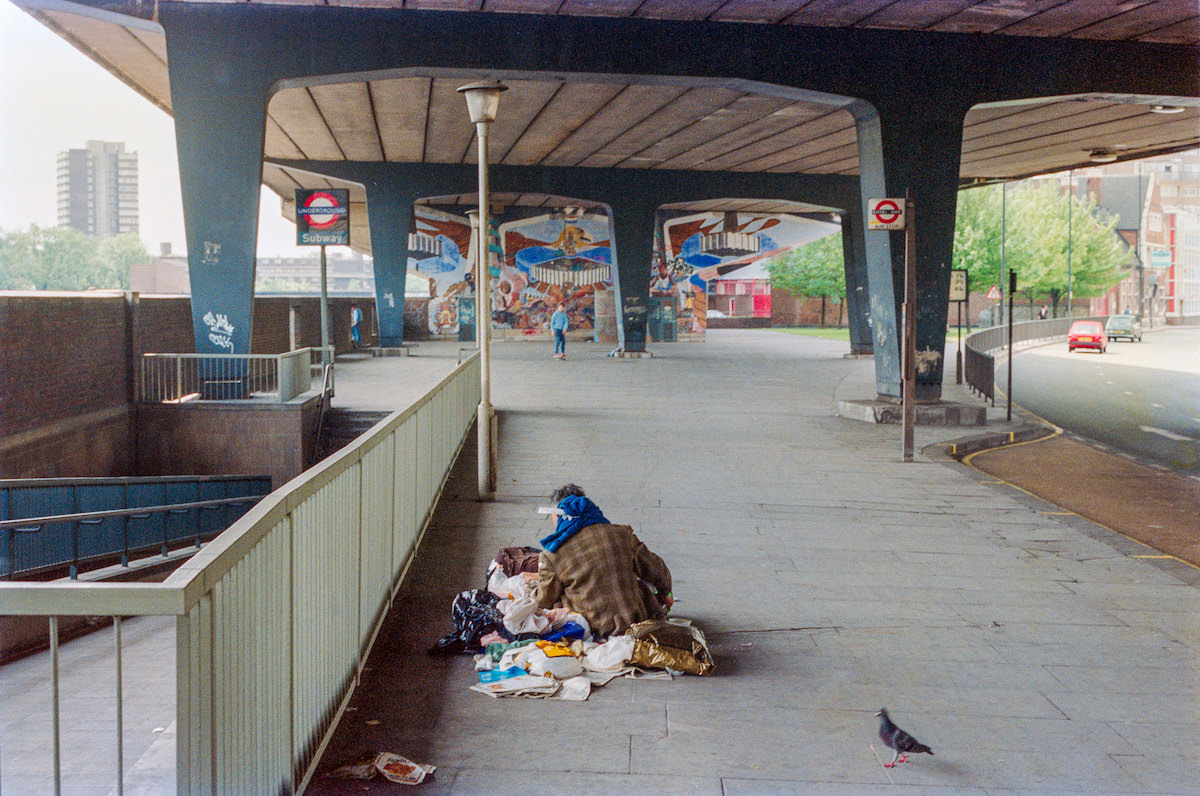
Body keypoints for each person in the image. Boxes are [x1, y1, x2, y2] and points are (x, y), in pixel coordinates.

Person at [534, 484, 673, 638]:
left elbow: (543, 601)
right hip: (635, 622)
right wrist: (665, 593)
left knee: (557, 599)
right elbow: (656, 568)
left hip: (593, 629)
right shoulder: (622, 533)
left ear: (557, 516)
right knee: (639, 582)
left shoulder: (553, 554)